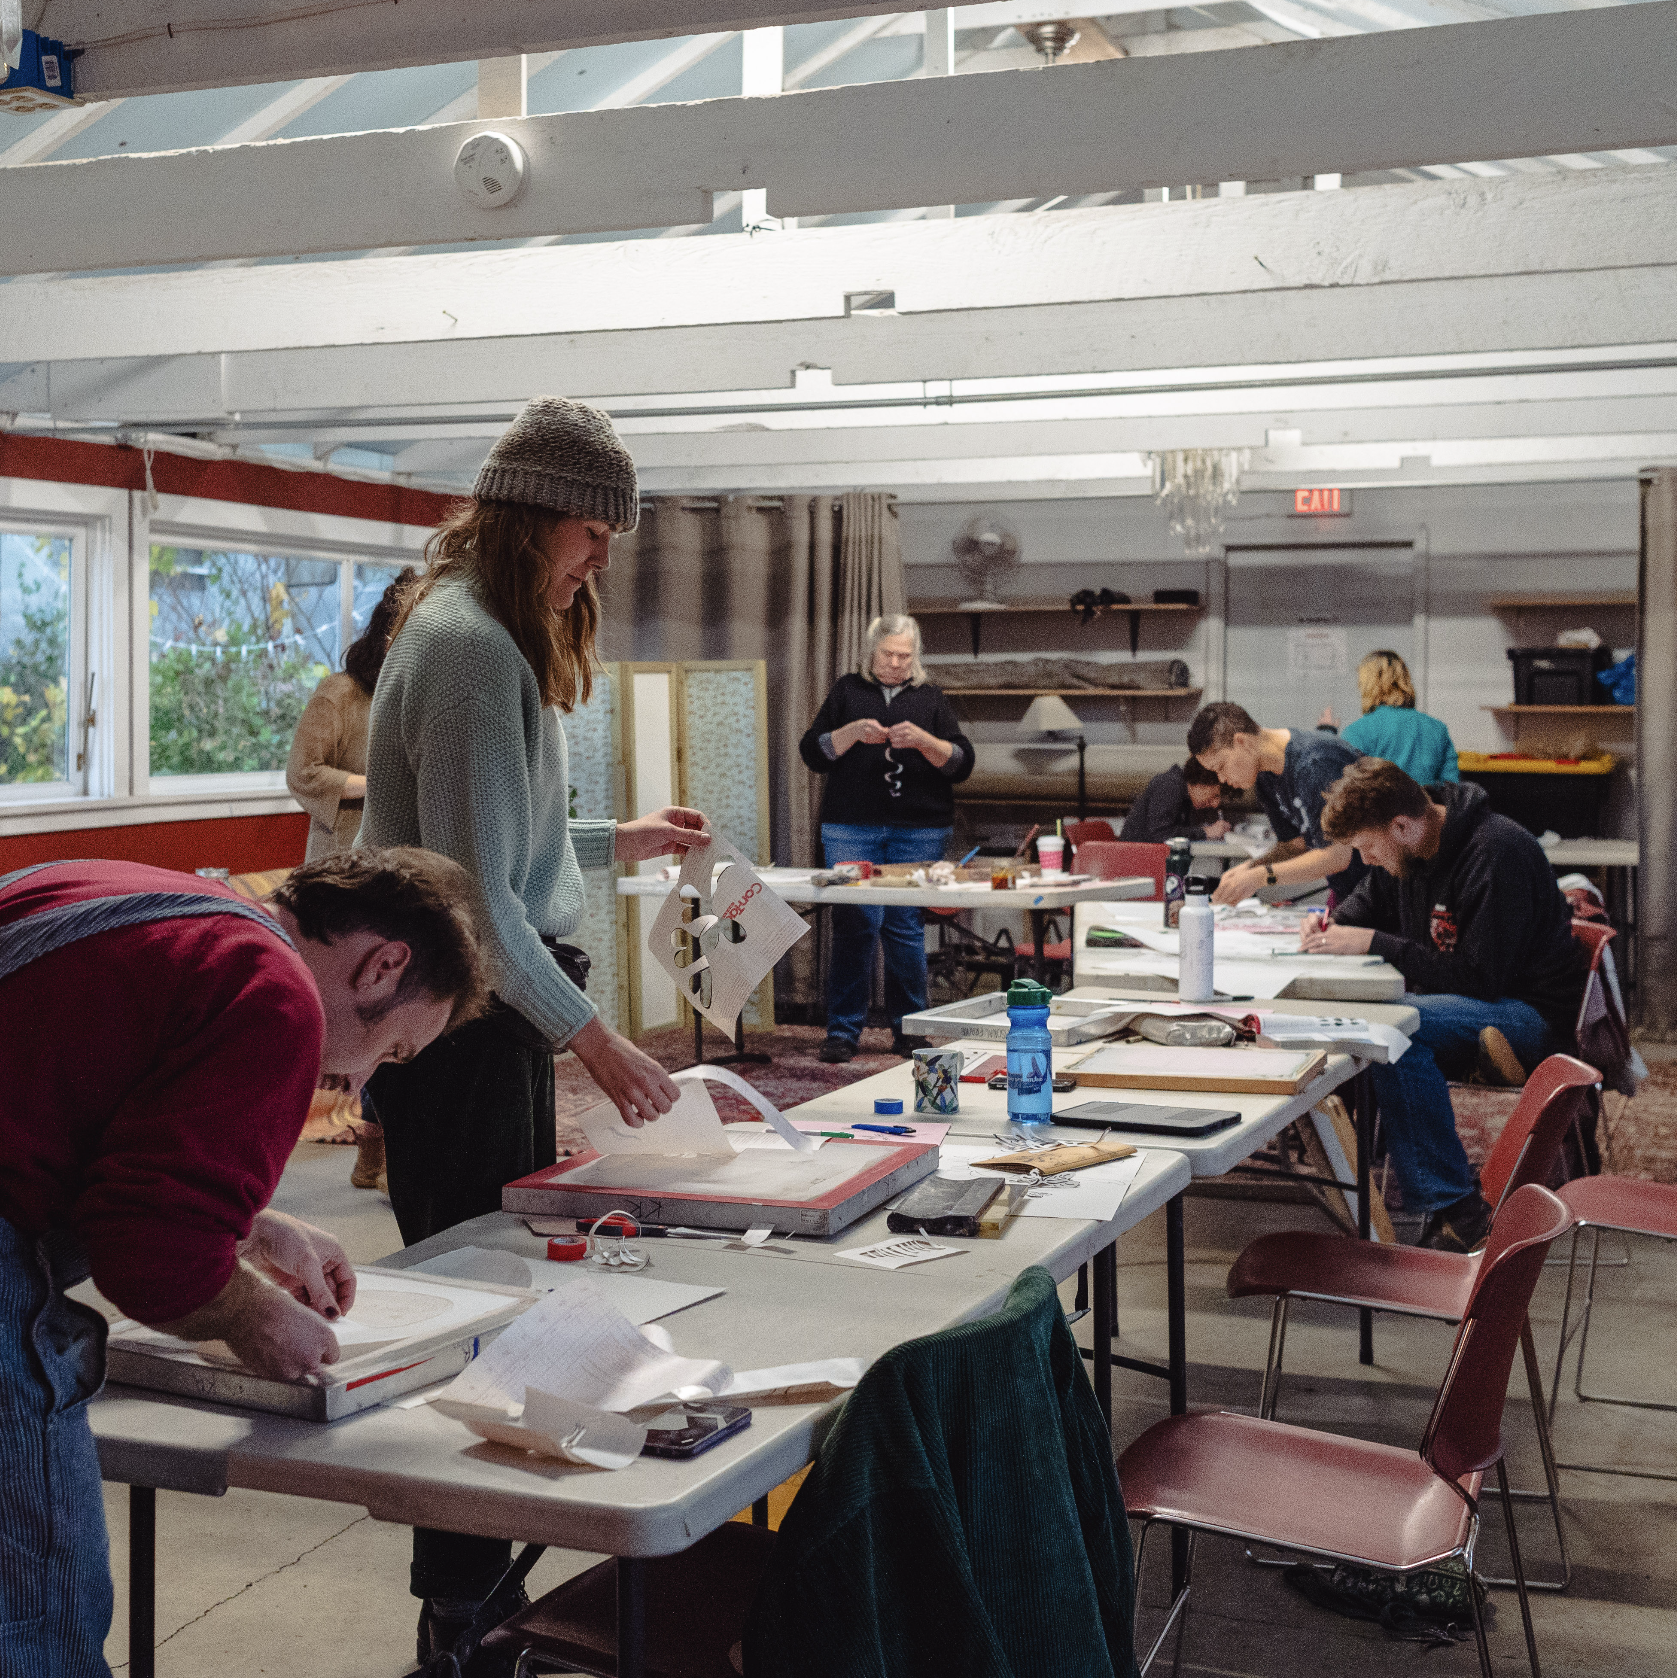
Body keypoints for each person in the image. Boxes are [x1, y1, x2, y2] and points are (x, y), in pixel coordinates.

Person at [358, 395, 709, 1664]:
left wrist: (624, 839)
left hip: (485, 1016)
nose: (600, 560)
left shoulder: (481, 633)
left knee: (497, 1309)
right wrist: (594, 1039)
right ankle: (462, 1614)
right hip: (467, 1028)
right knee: (476, 1316)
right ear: (531, 516)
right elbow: (474, 904)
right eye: (590, 531)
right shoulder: (466, 648)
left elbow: (517, 847)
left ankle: (480, 1600)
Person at [0, 847, 485, 1677]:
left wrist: (248, 1225)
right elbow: (151, 1259)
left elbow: (63, 1098)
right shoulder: (275, 991)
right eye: (391, 1050)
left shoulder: (148, 895)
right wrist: (252, 1314)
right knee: (35, 1621)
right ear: (382, 965)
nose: (357, 1080)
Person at [1302, 758, 1587, 1251]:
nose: (1366, 860)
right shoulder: (1408, 850)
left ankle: (1458, 1210)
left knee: (1395, 1032)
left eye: (1368, 848)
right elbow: (1363, 906)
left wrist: (1376, 943)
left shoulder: (1496, 852)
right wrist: (1330, 923)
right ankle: (1394, 1171)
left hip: (1528, 1013)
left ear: (1402, 826)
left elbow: (1481, 978)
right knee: (1381, 1024)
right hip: (1468, 1003)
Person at [286, 566, 417, 1191]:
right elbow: (303, 773)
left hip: (402, 869)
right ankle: (372, 1143)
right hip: (345, 870)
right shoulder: (339, 694)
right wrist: (374, 787)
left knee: (400, 1009)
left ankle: (391, 1142)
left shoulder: (416, 688)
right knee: (364, 1008)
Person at [798, 615, 973, 1064]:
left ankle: (910, 1031)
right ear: (871, 652)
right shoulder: (847, 690)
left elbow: (961, 763)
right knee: (854, 924)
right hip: (850, 827)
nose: (896, 663)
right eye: (887, 654)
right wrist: (851, 733)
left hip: (920, 830)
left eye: (904, 656)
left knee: (904, 928)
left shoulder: (930, 697)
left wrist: (925, 741)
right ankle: (842, 1033)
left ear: (916, 656)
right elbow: (812, 752)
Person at [1187, 701, 1366, 908]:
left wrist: (1260, 876)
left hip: (1383, 893)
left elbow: (1337, 856)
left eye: (1221, 766)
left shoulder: (1315, 762)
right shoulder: (1266, 778)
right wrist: (1249, 869)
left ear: (1242, 742)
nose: (1221, 778)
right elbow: (1294, 845)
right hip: (1350, 893)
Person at [1319, 650, 1459, 784]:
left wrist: (1325, 734)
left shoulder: (1358, 732)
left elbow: (1335, 784)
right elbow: (1451, 788)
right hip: (1425, 801)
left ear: (1367, 686)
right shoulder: (1437, 729)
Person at [1119, 756, 1233, 844]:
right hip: (1135, 858)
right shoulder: (1169, 786)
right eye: (1215, 796)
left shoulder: (1185, 794)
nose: (1215, 804)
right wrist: (1205, 832)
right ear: (1199, 784)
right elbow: (1161, 834)